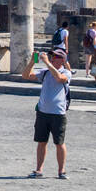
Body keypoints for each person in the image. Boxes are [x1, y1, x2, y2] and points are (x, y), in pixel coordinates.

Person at [24, 46, 71, 179]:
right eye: (52, 56)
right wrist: (32, 61)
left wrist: (47, 63)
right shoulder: (45, 72)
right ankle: (39, 170)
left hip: (58, 113)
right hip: (43, 112)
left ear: (62, 60)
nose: (52, 58)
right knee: (41, 142)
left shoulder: (67, 72)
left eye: (56, 56)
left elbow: (59, 78)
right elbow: (26, 76)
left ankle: (61, 171)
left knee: (59, 143)